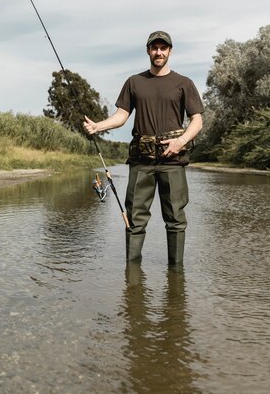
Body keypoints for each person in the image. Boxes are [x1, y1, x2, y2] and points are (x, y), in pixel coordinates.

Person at [84, 30, 203, 265]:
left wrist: (181, 141)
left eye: (163, 48)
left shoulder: (184, 83)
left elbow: (197, 120)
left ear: (170, 51)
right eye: (154, 48)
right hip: (141, 162)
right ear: (148, 50)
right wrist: (98, 126)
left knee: (176, 220)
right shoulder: (134, 82)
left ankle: (176, 275)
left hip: (173, 161)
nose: (158, 52)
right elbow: (121, 115)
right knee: (135, 219)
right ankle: (132, 277)